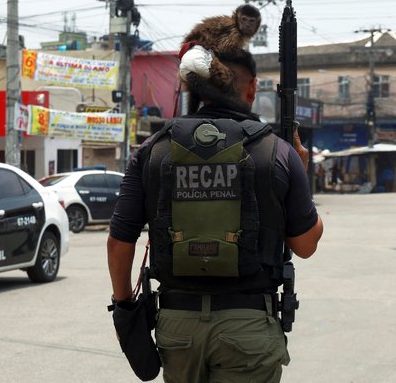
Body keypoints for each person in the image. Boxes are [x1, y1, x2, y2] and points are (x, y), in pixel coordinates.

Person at [107, 45, 323, 382]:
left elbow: (120, 239)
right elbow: (306, 245)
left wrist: (124, 307)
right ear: (250, 87)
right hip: (249, 327)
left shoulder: (153, 149)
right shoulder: (277, 152)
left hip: (178, 327)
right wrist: (301, 168)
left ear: (195, 88)